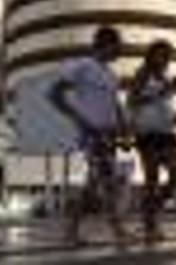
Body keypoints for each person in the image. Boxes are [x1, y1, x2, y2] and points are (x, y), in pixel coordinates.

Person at [49, 26, 128, 246]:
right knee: (106, 180)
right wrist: (78, 118)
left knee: (94, 184)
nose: (120, 51)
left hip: (109, 135)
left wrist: (122, 126)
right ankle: (118, 231)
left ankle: (71, 232)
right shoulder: (83, 66)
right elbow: (54, 93)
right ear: (105, 44)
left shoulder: (111, 75)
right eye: (118, 46)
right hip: (92, 133)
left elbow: (115, 104)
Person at [128, 39, 176, 243]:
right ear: (151, 55)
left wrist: (169, 90)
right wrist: (163, 91)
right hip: (147, 133)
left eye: (168, 55)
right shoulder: (142, 74)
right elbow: (132, 100)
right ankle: (150, 224)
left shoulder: (164, 77)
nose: (166, 59)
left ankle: (150, 213)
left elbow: (163, 102)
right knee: (152, 179)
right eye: (162, 54)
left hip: (167, 132)